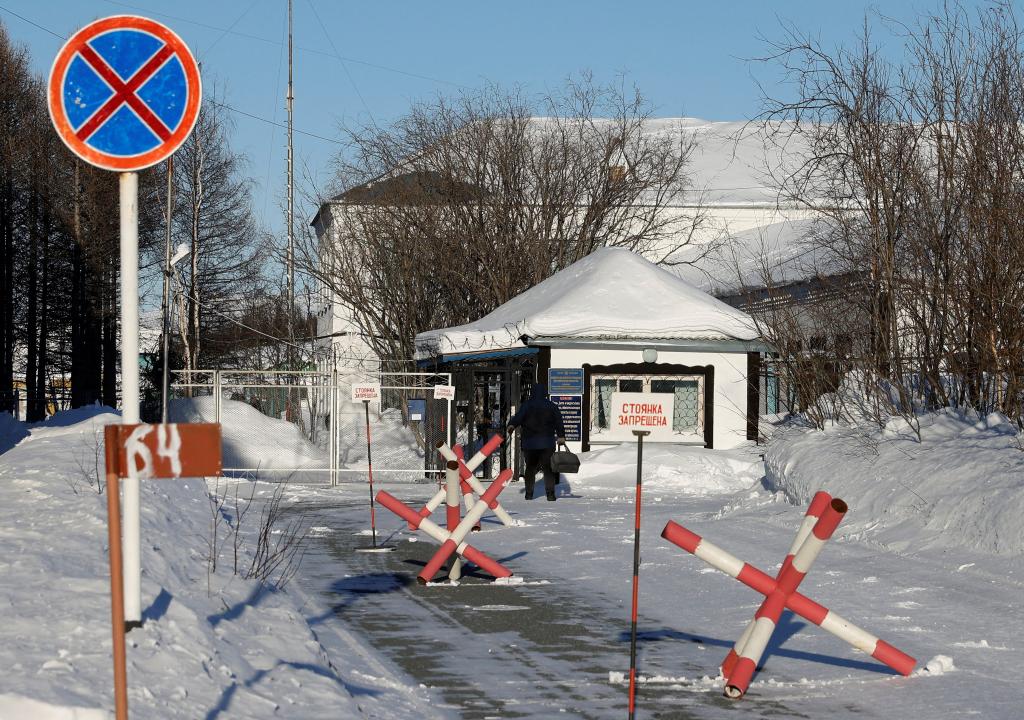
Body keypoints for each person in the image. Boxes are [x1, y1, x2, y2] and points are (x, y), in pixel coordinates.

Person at [506, 383, 566, 501]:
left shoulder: (527, 405)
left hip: (530, 443)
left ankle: (529, 494)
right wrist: (561, 436)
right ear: (544, 393)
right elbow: (559, 421)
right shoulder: (551, 406)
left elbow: (519, 417)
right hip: (547, 443)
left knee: (530, 468)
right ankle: (550, 494)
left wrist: (511, 425)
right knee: (548, 469)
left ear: (532, 393)